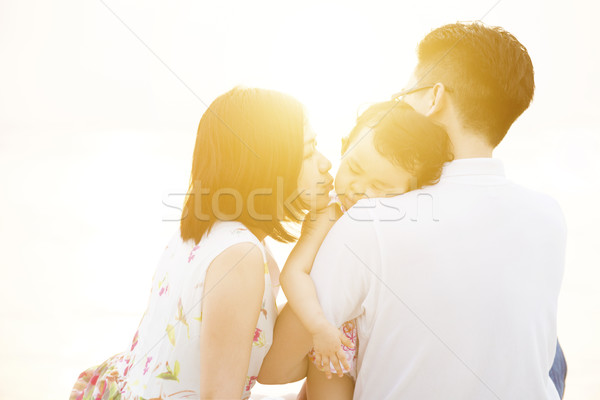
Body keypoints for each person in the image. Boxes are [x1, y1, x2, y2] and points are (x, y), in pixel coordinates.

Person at [261, 22, 567, 400]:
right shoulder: (549, 217)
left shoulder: (369, 222)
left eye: (406, 92)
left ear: (433, 98)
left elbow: (272, 367)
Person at [69, 86, 334, 400]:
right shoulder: (240, 256)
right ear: (266, 165)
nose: (326, 163)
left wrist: (314, 243)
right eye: (308, 151)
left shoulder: (201, 234)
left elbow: (273, 367)